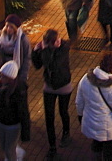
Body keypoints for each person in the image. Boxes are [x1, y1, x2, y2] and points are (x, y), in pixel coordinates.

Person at [76, 50, 112, 161]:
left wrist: (81, 117)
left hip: (91, 123)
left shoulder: (86, 80)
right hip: (109, 129)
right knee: (109, 152)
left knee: (96, 145)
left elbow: (79, 102)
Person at [32, 29, 73, 157]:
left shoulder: (64, 48)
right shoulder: (45, 49)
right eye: (53, 42)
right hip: (49, 85)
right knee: (49, 116)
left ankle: (66, 133)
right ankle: (52, 146)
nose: (57, 42)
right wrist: (35, 51)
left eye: (56, 40)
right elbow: (38, 65)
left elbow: (52, 65)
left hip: (63, 85)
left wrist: (44, 50)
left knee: (63, 111)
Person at [0, 61, 27, 161]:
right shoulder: (0, 86)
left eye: (4, 76)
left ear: (11, 78)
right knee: (3, 146)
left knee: (9, 150)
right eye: (1, 75)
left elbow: (23, 112)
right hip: (1, 123)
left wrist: (25, 131)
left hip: (12, 126)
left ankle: (15, 156)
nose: (1, 78)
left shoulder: (18, 92)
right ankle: (18, 151)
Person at [0, 14, 32, 84]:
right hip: (4, 69)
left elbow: (27, 57)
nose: (8, 29)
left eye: (11, 27)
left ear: (16, 28)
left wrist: (23, 75)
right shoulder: (0, 36)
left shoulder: (22, 39)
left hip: (17, 70)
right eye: (7, 26)